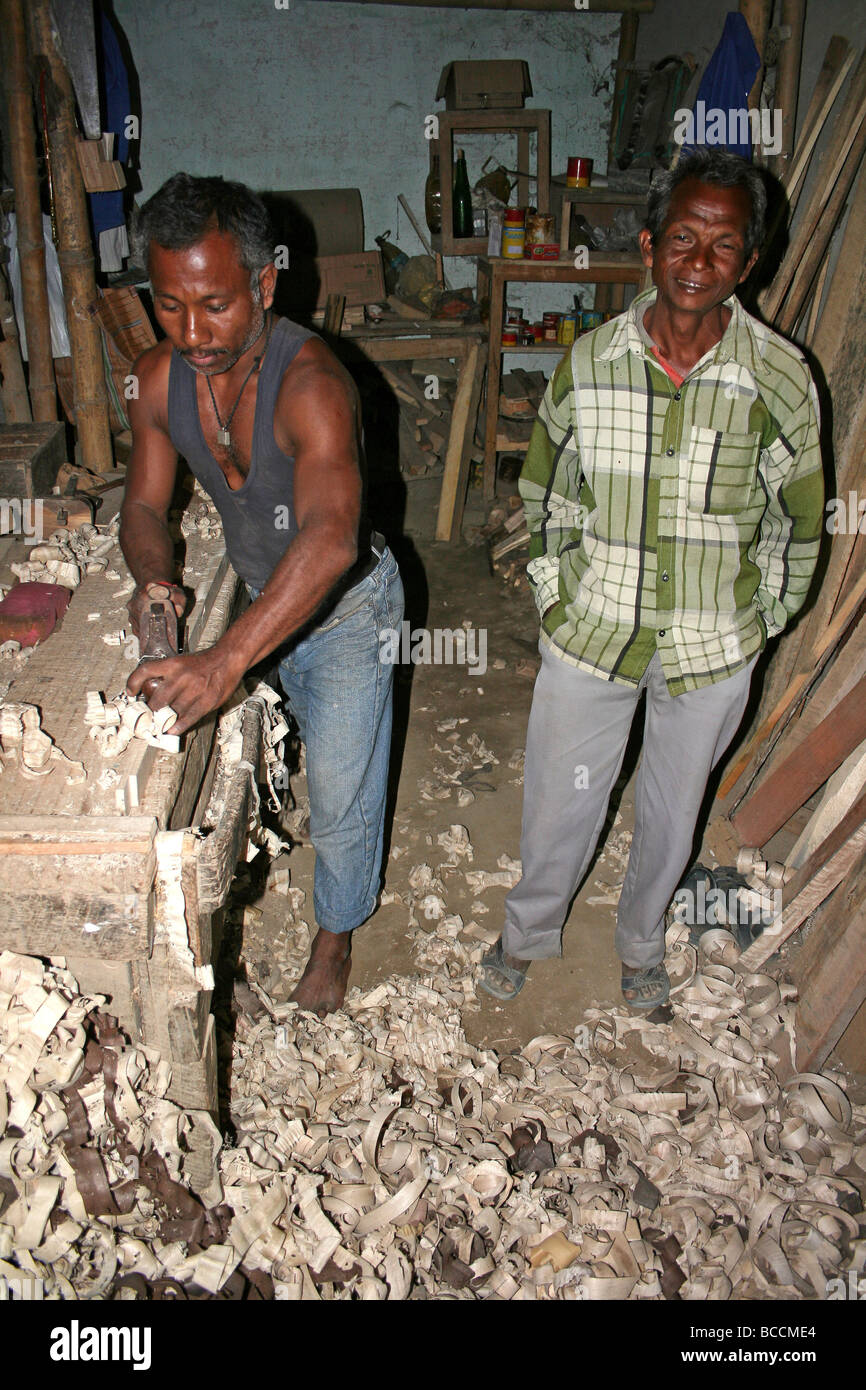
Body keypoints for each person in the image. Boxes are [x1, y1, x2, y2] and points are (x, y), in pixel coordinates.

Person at [479, 149, 823, 1010]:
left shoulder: (778, 378)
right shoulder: (590, 362)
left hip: (712, 645)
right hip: (594, 629)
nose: (698, 262)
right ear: (648, 245)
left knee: (673, 812)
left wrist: (760, 620)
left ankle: (639, 948)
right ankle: (526, 932)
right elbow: (548, 489)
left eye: (722, 246)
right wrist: (556, 598)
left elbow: (799, 517)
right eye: (682, 238)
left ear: (749, 264)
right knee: (561, 798)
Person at [121, 173, 404, 1017]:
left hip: (347, 609)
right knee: (241, 776)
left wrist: (228, 659)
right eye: (170, 306)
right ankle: (225, 936)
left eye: (214, 304)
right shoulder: (157, 378)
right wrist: (154, 579)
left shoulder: (313, 381)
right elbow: (141, 503)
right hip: (259, 602)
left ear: (265, 283)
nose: (194, 332)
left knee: (344, 789)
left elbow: (330, 537)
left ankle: (336, 937)